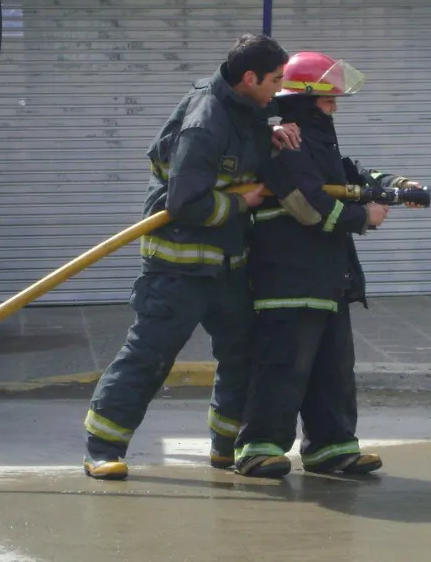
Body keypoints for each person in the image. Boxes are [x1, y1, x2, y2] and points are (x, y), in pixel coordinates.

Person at [82, 34, 302, 481]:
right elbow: (184, 203)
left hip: (227, 266)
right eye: (275, 80)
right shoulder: (205, 120)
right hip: (179, 267)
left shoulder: (248, 110)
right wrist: (243, 201)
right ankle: (102, 447)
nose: (278, 90)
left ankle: (225, 446)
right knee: (149, 357)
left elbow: (246, 148)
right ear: (249, 77)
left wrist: (271, 132)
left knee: (243, 354)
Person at [232, 51, 429, 478]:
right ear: (304, 99)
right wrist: (364, 217)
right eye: (327, 100)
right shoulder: (282, 140)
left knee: (333, 368)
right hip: (288, 276)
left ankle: (331, 447)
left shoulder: (316, 140)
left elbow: (349, 174)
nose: (334, 108)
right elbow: (308, 204)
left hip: (324, 276)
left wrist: (395, 185)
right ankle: (258, 448)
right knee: (284, 366)